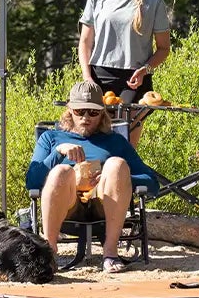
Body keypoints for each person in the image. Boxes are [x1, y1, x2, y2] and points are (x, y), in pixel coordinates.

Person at [27, 81, 161, 273]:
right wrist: (58, 153)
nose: (86, 117)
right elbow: (32, 182)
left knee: (116, 164)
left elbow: (152, 183)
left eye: (93, 112)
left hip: (104, 207)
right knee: (61, 172)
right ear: (69, 110)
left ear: (103, 113)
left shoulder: (115, 141)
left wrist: (113, 177)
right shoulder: (50, 139)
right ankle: (49, 253)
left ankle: (110, 252)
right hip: (66, 208)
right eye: (80, 111)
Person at [80, 0, 173, 136]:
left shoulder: (153, 0)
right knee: (96, 142)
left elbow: (164, 48)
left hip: (135, 79)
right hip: (99, 77)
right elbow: (85, 42)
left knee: (125, 145)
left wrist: (145, 70)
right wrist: (87, 77)